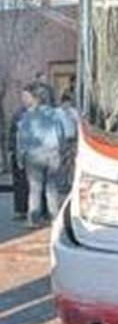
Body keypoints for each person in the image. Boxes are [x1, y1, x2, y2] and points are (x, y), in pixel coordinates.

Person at [15, 83, 66, 228]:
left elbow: (21, 138)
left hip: (33, 155)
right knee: (52, 187)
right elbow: (62, 135)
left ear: (35, 99)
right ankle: (55, 218)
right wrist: (60, 151)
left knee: (35, 188)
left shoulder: (27, 117)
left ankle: (34, 219)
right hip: (52, 154)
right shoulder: (56, 115)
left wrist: (20, 157)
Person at [7, 88, 32, 221]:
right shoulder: (17, 114)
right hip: (18, 153)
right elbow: (12, 132)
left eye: (27, 96)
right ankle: (20, 210)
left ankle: (33, 210)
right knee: (19, 183)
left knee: (32, 184)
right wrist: (11, 149)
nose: (24, 99)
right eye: (23, 97)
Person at [55, 92, 79, 198]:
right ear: (62, 103)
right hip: (61, 140)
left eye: (69, 103)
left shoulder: (73, 112)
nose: (67, 105)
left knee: (71, 163)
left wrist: (72, 116)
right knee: (62, 163)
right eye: (66, 103)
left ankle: (70, 183)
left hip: (72, 139)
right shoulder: (57, 112)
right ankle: (61, 183)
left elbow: (78, 123)